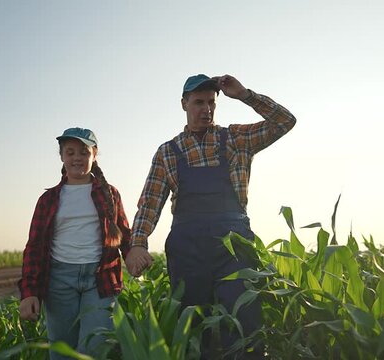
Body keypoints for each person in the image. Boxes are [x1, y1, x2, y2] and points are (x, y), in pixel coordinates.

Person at [126, 74, 297, 358]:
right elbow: (150, 202)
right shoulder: (168, 152)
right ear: (184, 104)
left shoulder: (237, 139)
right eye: (198, 102)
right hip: (188, 248)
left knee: (245, 322)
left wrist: (244, 95)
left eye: (211, 102)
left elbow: (284, 121)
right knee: (192, 325)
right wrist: (137, 243)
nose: (206, 109)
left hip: (234, 246)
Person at [17, 127, 132, 359]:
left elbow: (125, 235)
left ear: (94, 155)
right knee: (62, 352)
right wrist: (29, 292)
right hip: (59, 280)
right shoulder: (48, 199)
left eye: (83, 152)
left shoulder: (110, 194)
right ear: (61, 156)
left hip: (100, 279)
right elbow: (35, 247)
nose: (77, 158)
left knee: (95, 348)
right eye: (70, 153)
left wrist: (135, 255)